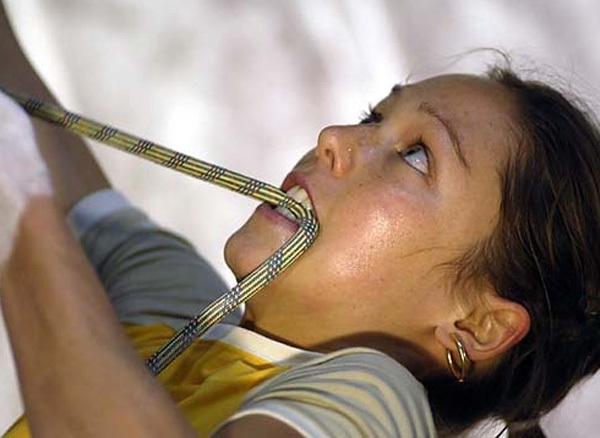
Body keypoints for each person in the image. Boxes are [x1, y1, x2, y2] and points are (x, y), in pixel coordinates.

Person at [1, 3, 600, 437]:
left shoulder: (376, 400)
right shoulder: (182, 317)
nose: (335, 137)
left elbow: (32, 195)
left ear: (476, 326)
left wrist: (24, 230)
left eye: (417, 155)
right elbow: (38, 136)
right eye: (372, 117)